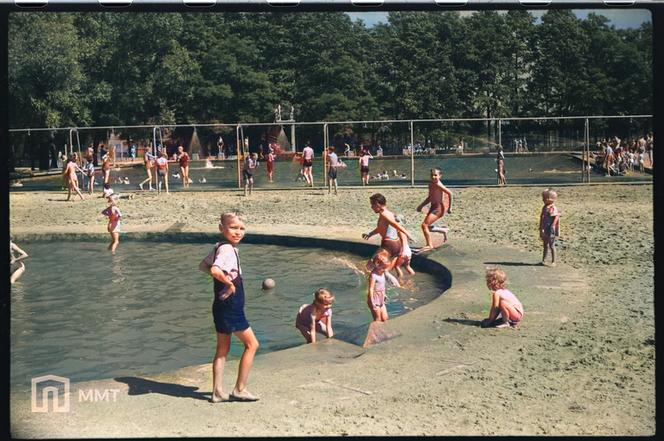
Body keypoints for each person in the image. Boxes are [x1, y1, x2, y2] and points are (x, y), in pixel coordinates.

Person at [199, 212, 260, 402]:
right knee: (252, 344)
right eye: (233, 228)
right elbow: (215, 269)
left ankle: (217, 392)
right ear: (221, 228)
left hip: (220, 305)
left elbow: (203, 266)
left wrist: (223, 281)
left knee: (222, 348)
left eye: (242, 228)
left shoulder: (219, 247)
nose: (238, 232)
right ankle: (239, 389)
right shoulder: (227, 250)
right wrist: (229, 283)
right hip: (231, 306)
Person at [363, 193, 413, 267]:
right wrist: (370, 234)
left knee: (370, 267)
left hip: (388, 245)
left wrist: (408, 234)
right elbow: (381, 228)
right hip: (395, 244)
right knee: (385, 269)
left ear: (377, 204)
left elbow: (395, 225)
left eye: (372, 205)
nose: (371, 207)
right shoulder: (389, 213)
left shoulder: (384, 214)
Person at [416, 168, 453, 252]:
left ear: (440, 176)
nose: (433, 177)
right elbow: (430, 197)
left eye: (435, 175)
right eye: (432, 175)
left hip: (439, 208)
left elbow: (450, 193)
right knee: (427, 227)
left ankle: (429, 245)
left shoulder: (439, 185)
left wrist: (450, 207)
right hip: (433, 206)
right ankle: (443, 230)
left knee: (424, 225)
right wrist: (421, 205)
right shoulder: (431, 184)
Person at [367, 249, 391, 322]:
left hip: (381, 299)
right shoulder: (373, 275)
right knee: (378, 319)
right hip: (374, 299)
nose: (385, 270)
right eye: (383, 268)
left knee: (385, 318)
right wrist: (372, 301)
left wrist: (384, 294)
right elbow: (371, 289)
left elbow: (382, 286)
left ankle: (385, 332)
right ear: (377, 264)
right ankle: (376, 332)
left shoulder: (382, 273)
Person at [539, 188, 561, 266]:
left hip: (550, 229)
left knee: (551, 245)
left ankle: (553, 261)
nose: (543, 200)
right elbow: (542, 217)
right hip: (545, 227)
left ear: (550, 199)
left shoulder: (552, 208)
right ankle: (544, 260)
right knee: (545, 244)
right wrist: (541, 227)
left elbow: (556, 217)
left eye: (544, 198)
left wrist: (553, 225)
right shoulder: (545, 207)